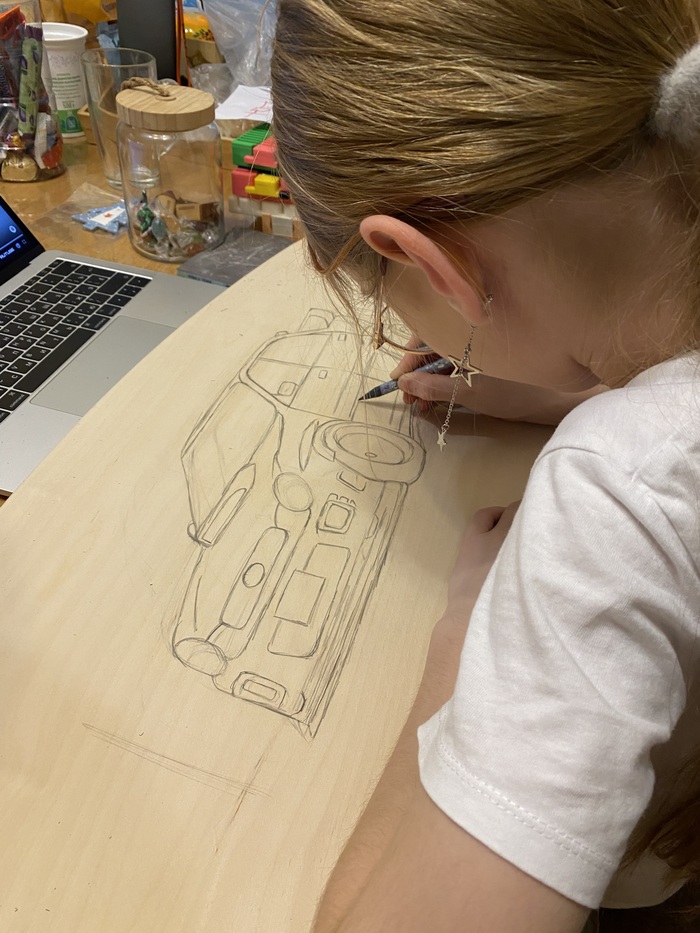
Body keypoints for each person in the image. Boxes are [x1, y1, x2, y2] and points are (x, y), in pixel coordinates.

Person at [270, 1, 700, 930]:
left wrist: (467, 635)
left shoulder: (618, 491)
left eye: (393, 309)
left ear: (428, 261)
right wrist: (563, 390)